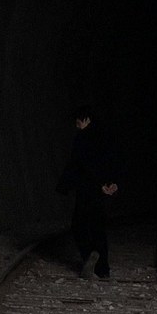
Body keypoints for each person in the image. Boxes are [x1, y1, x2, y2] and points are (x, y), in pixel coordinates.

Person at [57, 106, 119, 279]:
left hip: (87, 188)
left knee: (79, 226)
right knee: (98, 227)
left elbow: (80, 164)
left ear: (86, 119)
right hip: (101, 190)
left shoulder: (83, 138)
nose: (76, 125)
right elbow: (111, 160)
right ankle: (103, 270)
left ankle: (90, 256)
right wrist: (111, 182)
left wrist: (65, 185)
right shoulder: (104, 136)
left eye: (78, 121)